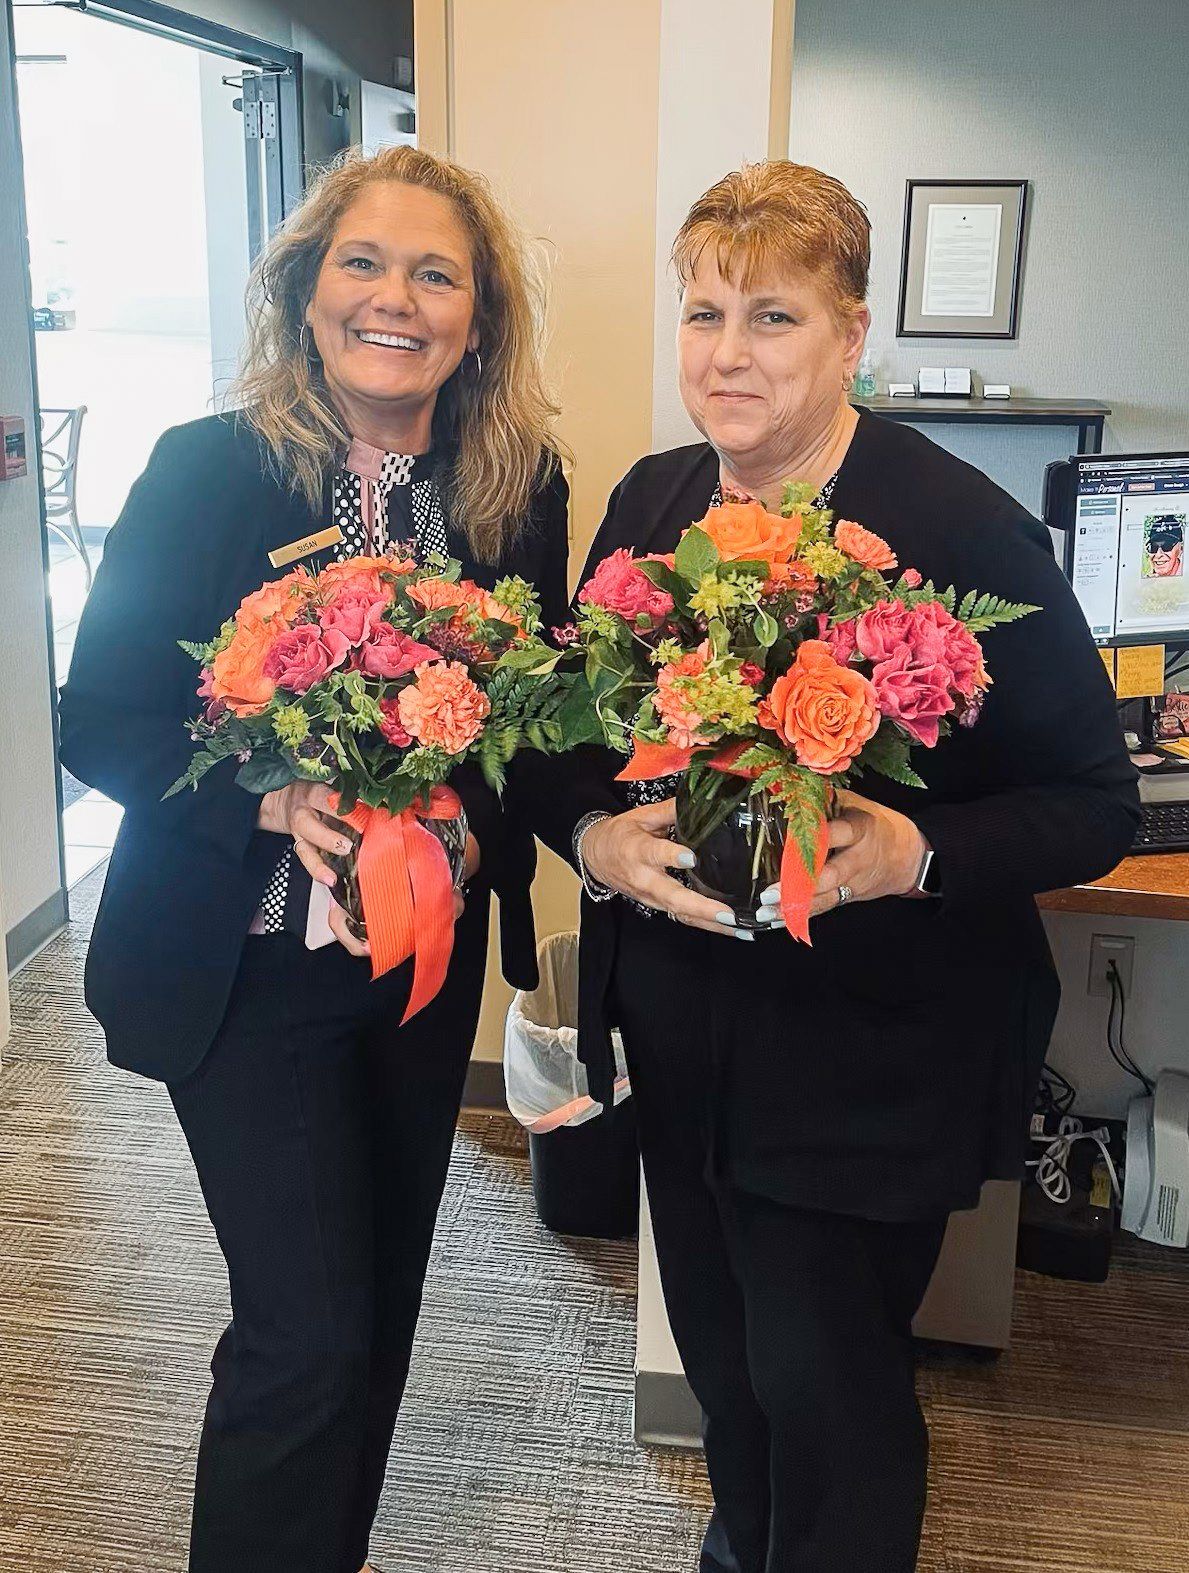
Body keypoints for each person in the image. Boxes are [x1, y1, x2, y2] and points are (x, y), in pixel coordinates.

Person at [525, 162, 1139, 1572]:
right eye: (701, 313)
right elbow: (562, 741)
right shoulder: (653, 499)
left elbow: (1091, 801)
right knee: (728, 1368)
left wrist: (913, 849)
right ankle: (743, 1548)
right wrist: (595, 837)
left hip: (869, 1053)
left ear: (850, 333)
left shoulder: (960, 527)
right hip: (682, 1034)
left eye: (773, 317)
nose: (726, 354)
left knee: (830, 1387)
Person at [58, 144, 568, 1573]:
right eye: (363, 261)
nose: (393, 297)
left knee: (376, 1317)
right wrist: (271, 802)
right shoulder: (205, 472)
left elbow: (530, 723)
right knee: (305, 1332)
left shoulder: (518, 490)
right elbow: (96, 719)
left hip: (416, 970)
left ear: (477, 317)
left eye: (434, 272)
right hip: (243, 968)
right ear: (303, 287)